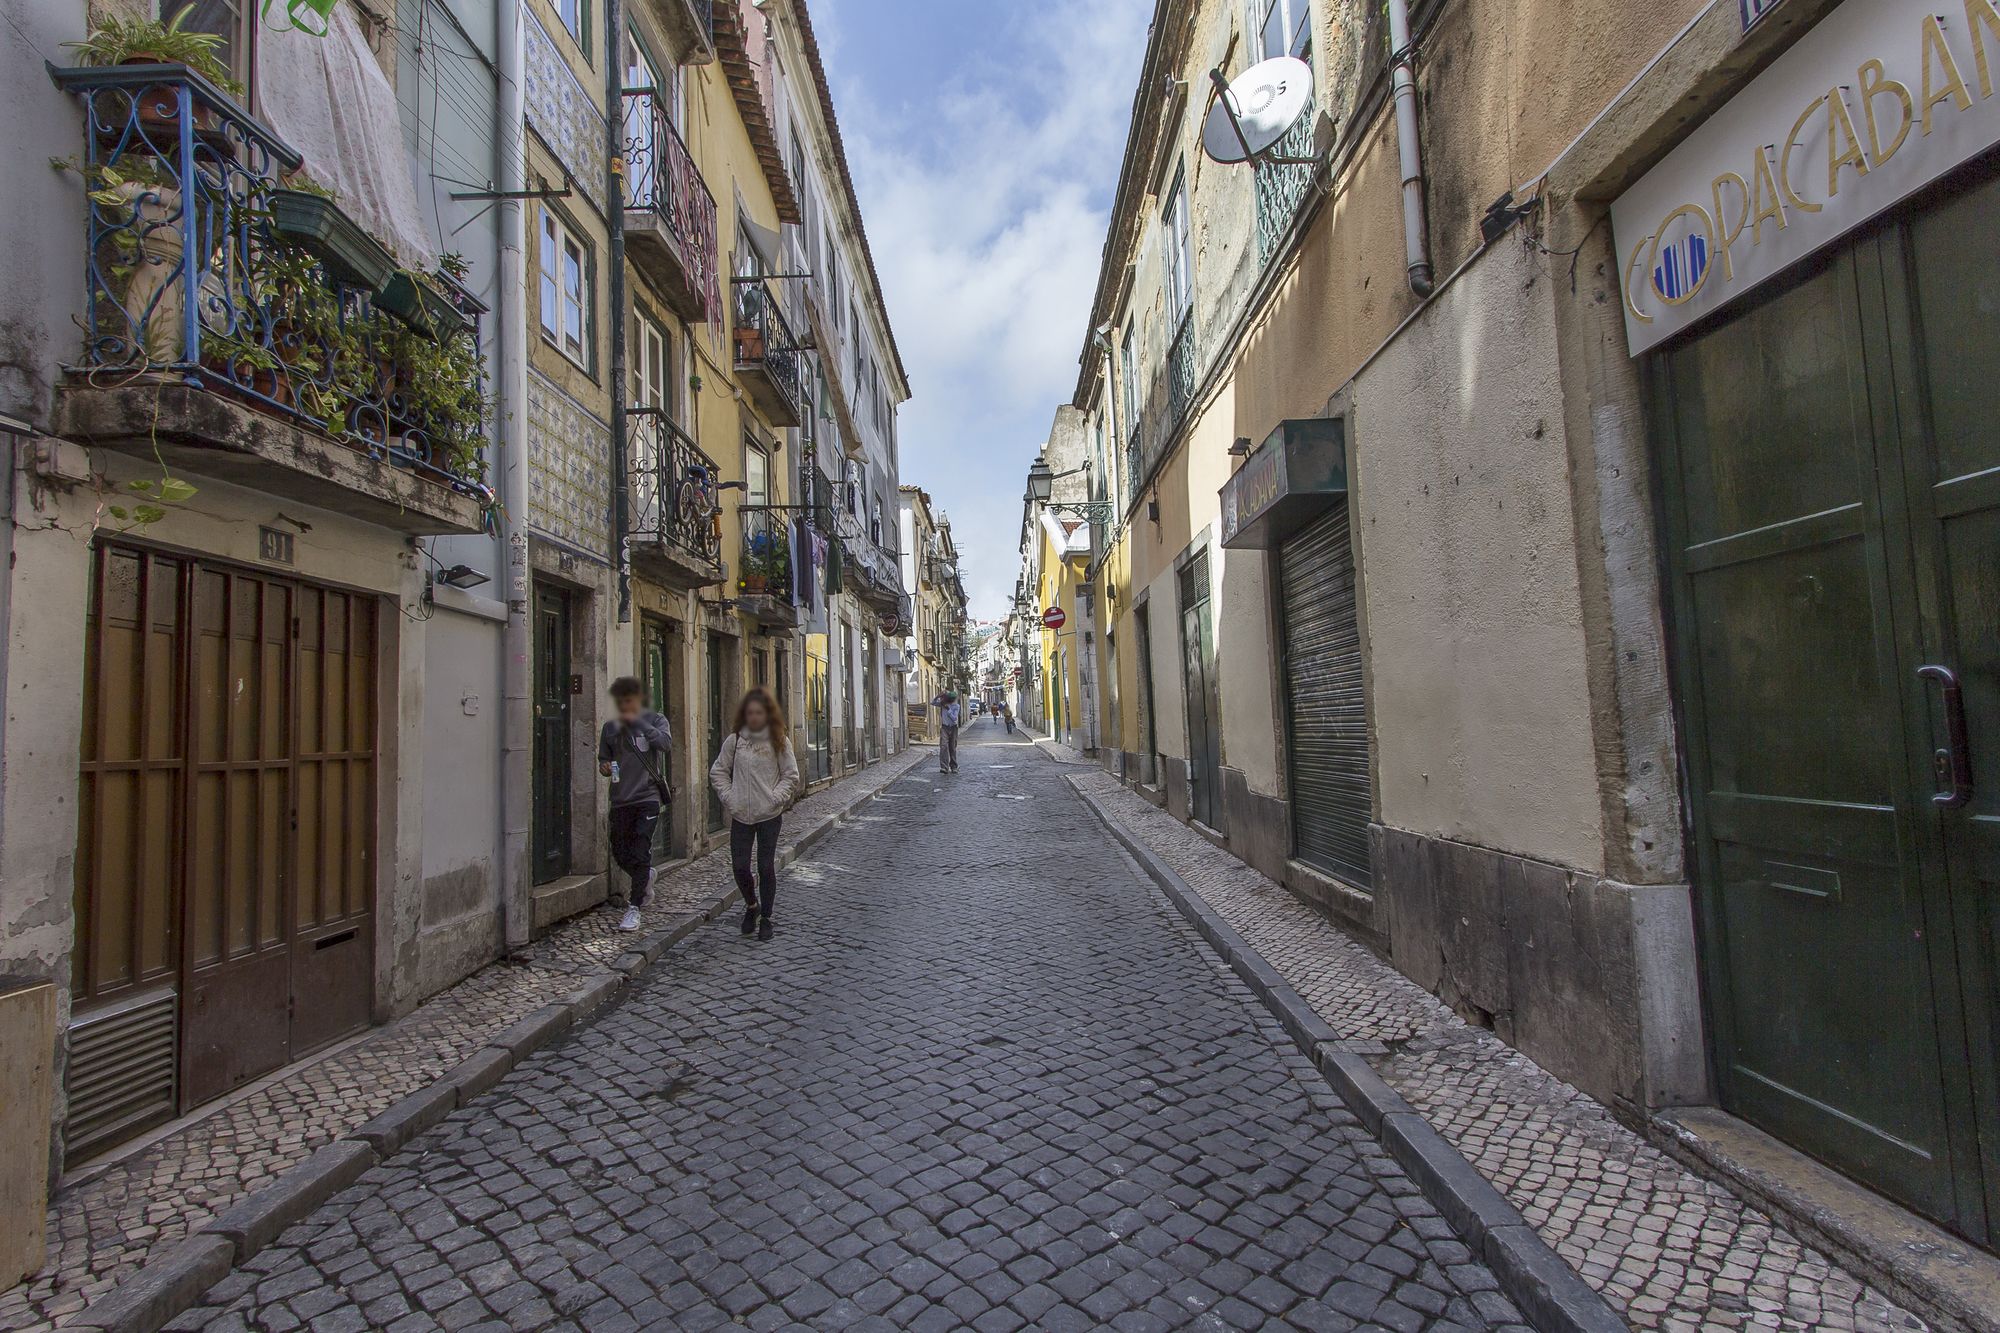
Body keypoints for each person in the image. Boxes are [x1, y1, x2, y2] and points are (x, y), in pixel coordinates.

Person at [709, 686, 800, 941]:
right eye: (750, 712)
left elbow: (791, 775)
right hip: (741, 816)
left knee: (764, 866)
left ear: (768, 714)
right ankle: (751, 905)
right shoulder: (735, 740)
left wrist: (775, 798)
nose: (754, 717)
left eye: (759, 712)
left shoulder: (778, 739)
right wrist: (730, 798)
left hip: (768, 815)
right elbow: (718, 771)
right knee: (739, 867)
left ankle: (766, 917)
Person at [598, 677, 672, 932]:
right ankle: (646, 876)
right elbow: (604, 761)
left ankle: (635, 908)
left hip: (647, 798)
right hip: (621, 799)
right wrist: (605, 768)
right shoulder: (610, 728)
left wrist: (640, 724)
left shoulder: (656, 720)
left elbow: (665, 744)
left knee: (641, 847)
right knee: (620, 851)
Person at [932, 689, 962, 772]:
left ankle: (954, 766)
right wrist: (938, 696)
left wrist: (948, 709)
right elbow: (933, 702)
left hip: (953, 727)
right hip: (945, 727)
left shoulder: (956, 706)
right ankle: (944, 767)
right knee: (943, 746)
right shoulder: (942, 704)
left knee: (952, 747)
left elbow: (954, 718)